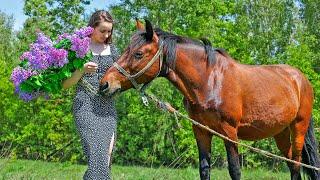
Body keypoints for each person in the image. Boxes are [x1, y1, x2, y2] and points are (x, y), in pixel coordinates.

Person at [62, 10, 119, 180]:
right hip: (85, 106)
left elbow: (122, 77)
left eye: (109, 31)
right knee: (97, 155)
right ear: (92, 28)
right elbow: (65, 85)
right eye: (102, 30)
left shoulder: (113, 50)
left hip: (108, 109)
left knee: (105, 158)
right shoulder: (79, 49)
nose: (106, 34)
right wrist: (81, 70)